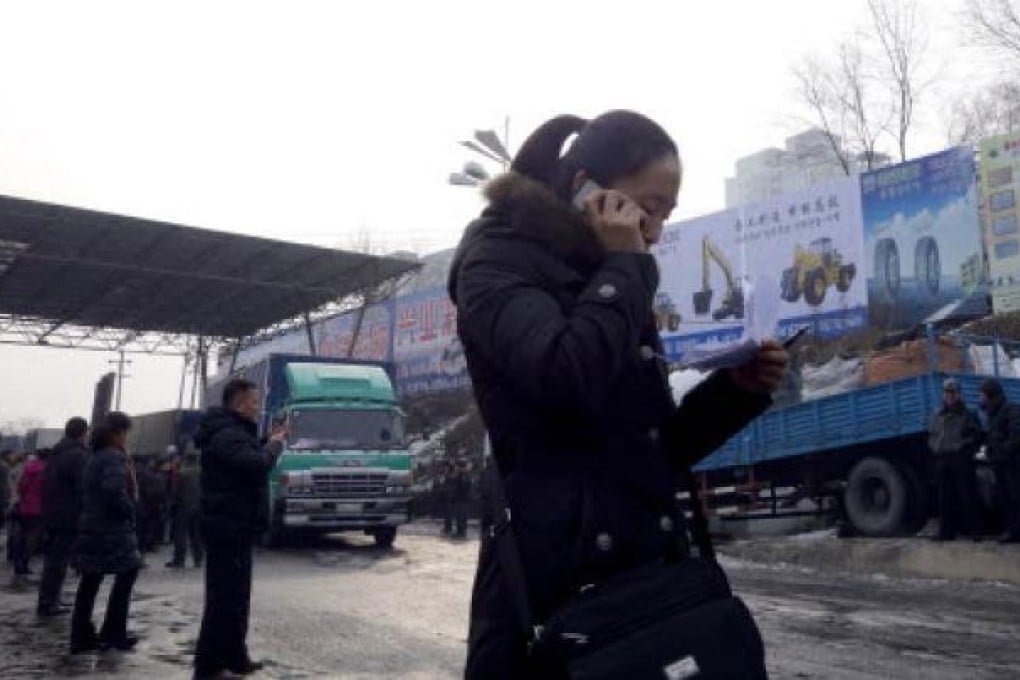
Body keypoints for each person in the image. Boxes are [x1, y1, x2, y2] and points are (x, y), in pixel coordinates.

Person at [448, 111, 787, 677]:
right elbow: (565, 377)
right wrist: (625, 266)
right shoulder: (495, 260)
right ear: (586, 185)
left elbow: (651, 450)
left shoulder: (605, 274)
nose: (653, 231)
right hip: (561, 591)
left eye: (666, 215)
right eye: (648, 208)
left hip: (649, 581)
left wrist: (734, 392)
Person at [193, 378, 286, 679]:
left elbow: (246, 461)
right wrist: (273, 446)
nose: (258, 410)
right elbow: (254, 465)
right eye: (254, 404)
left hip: (237, 525)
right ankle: (209, 666)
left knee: (236, 599)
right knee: (224, 600)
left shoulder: (232, 433)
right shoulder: (225, 433)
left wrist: (267, 443)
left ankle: (234, 657)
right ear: (239, 404)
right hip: (227, 526)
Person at [70, 412, 142, 654]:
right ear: (119, 433)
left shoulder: (95, 455)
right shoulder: (113, 457)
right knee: (128, 573)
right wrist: (130, 510)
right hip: (111, 530)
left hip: (92, 527)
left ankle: (81, 635)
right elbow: (114, 491)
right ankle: (114, 632)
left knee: (91, 580)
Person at [37, 417, 90, 616]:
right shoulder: (77, 455)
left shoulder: (57, 452)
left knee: (53, 559)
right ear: (83, 432)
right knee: (58, 561)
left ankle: (50, 598)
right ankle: (49, 602)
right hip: (68, 514)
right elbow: (82, 486)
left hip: (52, 511)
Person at [927, 379, 983, 541]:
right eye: (946, 392)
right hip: (942, 459)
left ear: (959, 394)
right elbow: (932, 434)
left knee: (968, 495)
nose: (949, 396)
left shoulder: (968, 413)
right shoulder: (938, 414)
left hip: (961, 460)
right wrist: (935, 446)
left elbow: (976, 435)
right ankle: (946, 532)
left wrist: (962, 447)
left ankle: (975, 531)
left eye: (952, 392)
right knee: (944, 497)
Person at [979, 378, 1020, 543]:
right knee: (1004, 497)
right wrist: (990, 452)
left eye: (981, 395)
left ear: (990, 395)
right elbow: (992, 437)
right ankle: (1011, 531)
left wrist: (1003, 452)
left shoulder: (1011, 410)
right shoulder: (992, 413)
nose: (979, 398)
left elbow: (1016, 436)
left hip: (1012, 463)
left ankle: (1015, 532)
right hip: (999, 463)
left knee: (1015, 497)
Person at [12, 449, 47, 582]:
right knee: (32, 538)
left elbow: (21, 486)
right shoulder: (46, 470)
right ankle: (24, 563)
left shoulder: (27, 468)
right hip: (39, 508)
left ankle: (18, 563)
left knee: (21, 536)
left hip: (25, 506)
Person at [166, 449, 203, 569]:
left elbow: (175, 491)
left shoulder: (182, 473)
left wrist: (172, 504)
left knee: (181, 534)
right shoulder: (202, 472)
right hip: (199, 507)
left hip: (184, 506)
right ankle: (198, 559)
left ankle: (179, 559)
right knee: (196, 534)